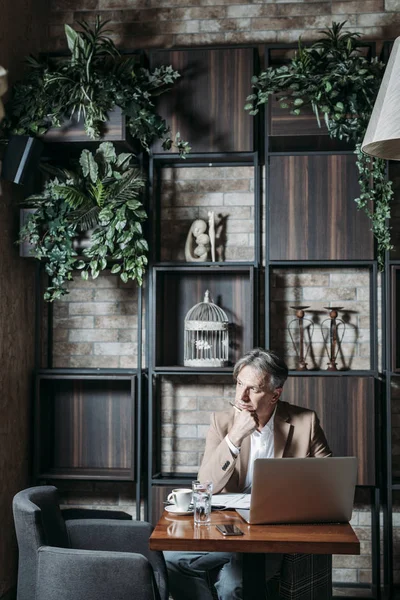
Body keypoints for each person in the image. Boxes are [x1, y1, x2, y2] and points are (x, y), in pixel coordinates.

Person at [165, 348, 332, 600]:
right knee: (171, 560)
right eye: (239, 384)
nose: (241, 395)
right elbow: (205, 484)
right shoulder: (221, 422)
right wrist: (234, 439)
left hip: (274, 531)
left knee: (233, 586)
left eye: (252, 389)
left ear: (275, 394)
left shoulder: (305, 422)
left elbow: (329, 484)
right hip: (226, 528)